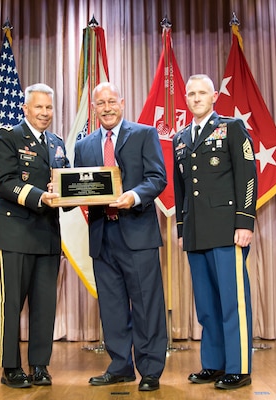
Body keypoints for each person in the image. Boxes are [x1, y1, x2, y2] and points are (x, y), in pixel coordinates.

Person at [74, 82, 168, 392]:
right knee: (112, 307)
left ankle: (150, 369)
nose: (107, 107)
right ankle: (120, 366)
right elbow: (77, 185)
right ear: (94, 108)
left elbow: (157, 178)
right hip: (103, 235)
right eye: (100, 103)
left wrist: (133, 196)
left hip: (137, 232)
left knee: (146, 305)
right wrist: (60, 193)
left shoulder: (144, 134)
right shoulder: (84, 146)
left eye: (111, 101)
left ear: (122, 103)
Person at [172, 74, 257, 390]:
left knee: (232, 302)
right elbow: (181, 189)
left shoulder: (232, 128)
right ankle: (214, 364)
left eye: (201, 93)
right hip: (195, 232)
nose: (195, 98)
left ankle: (238, 367)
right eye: (191, 93)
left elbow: (248, 176)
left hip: (227, 231)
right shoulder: (181, 138)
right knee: (206, 305)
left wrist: (244, 222)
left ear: (214, 97)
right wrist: (182, 228)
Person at [0, 83, 69, 389]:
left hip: (46, 234)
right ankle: (10, 367)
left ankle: (39, 365)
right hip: (14, 232)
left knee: (45, 305)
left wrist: (66, 193)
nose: (45, 113)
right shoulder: (8, 136)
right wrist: (40, 196)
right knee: (11, 305)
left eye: (49, 108)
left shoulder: (57, 144)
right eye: (39, 107)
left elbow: (66, 182)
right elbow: (4, 181)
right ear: (26, 109)